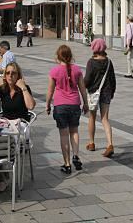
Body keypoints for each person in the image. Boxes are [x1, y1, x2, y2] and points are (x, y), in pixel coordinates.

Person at [0, 62, 36, 192]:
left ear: (18, 76)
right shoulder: (2, 89)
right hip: (5, 124)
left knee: (3, 141)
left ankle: (1, 177)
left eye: (13, 73)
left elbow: (31, 106)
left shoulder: (23, 88)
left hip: (20, 125)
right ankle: (2, 176)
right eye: (8, 73)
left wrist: (23, 88)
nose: (10, 76)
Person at [46, 45, 89, 174]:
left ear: (58, 56)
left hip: (60, 106)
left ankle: (67, 164)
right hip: (75, 104)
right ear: (70, 56)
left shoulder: (54, 71)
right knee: (74, 131)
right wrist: (86, 103)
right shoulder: (77, 70)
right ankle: (76, 155)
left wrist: (47, 104)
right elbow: (83, 89)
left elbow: (50, 91)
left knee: (64, 134)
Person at [84, 39, 116, 157]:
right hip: (106, 92)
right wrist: (112, 92)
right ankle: (110, 144)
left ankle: (91, 143)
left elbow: (87, 79)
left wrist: (83, 87)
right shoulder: (108, 62)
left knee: (92, 117)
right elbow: (112, 79)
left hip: (93, 92)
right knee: (105, 119)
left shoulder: (91, 62)